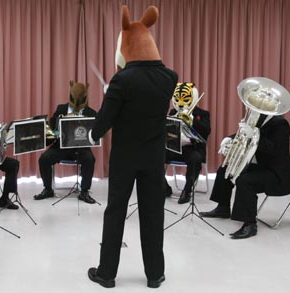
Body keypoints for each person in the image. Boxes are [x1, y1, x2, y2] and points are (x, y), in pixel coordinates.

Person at [87, 6, 178, 289]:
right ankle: (155, 274)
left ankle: (107, 273)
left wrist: (93, 134)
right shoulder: (169, 77)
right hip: (153, 156)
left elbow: (105, 120)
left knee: (116, 211)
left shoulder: (122, 79)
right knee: (153, 212)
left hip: (125, 157)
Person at [200, 114, 290, 239]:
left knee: (245, 180)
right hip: (260, 166)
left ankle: (250, 224)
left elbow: (273, 148)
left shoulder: (281, 124)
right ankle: (223, 208)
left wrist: (255, 137)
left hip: (276, 174)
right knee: (225, 170)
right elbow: (243, 136)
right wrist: (230, 139)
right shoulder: (258, 119)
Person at [33, 80, 97, 204]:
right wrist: (55, 128)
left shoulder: (91, 113)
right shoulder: (61, 109)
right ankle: (47, 189)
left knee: (90, 159)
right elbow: (52, 127)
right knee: (44, 159)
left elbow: (98, 132)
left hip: (81, 148)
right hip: (60, 147)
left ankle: (84, 191)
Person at [164, 82, 211, 204]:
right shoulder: (173, 111)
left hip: (192, 148)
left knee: (195, 159)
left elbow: (207, 131)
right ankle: (164, 187)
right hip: (175, 147)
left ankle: (187, 190)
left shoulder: (203, 114)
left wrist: (192, 121)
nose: (180, 103)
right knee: (156, 155)